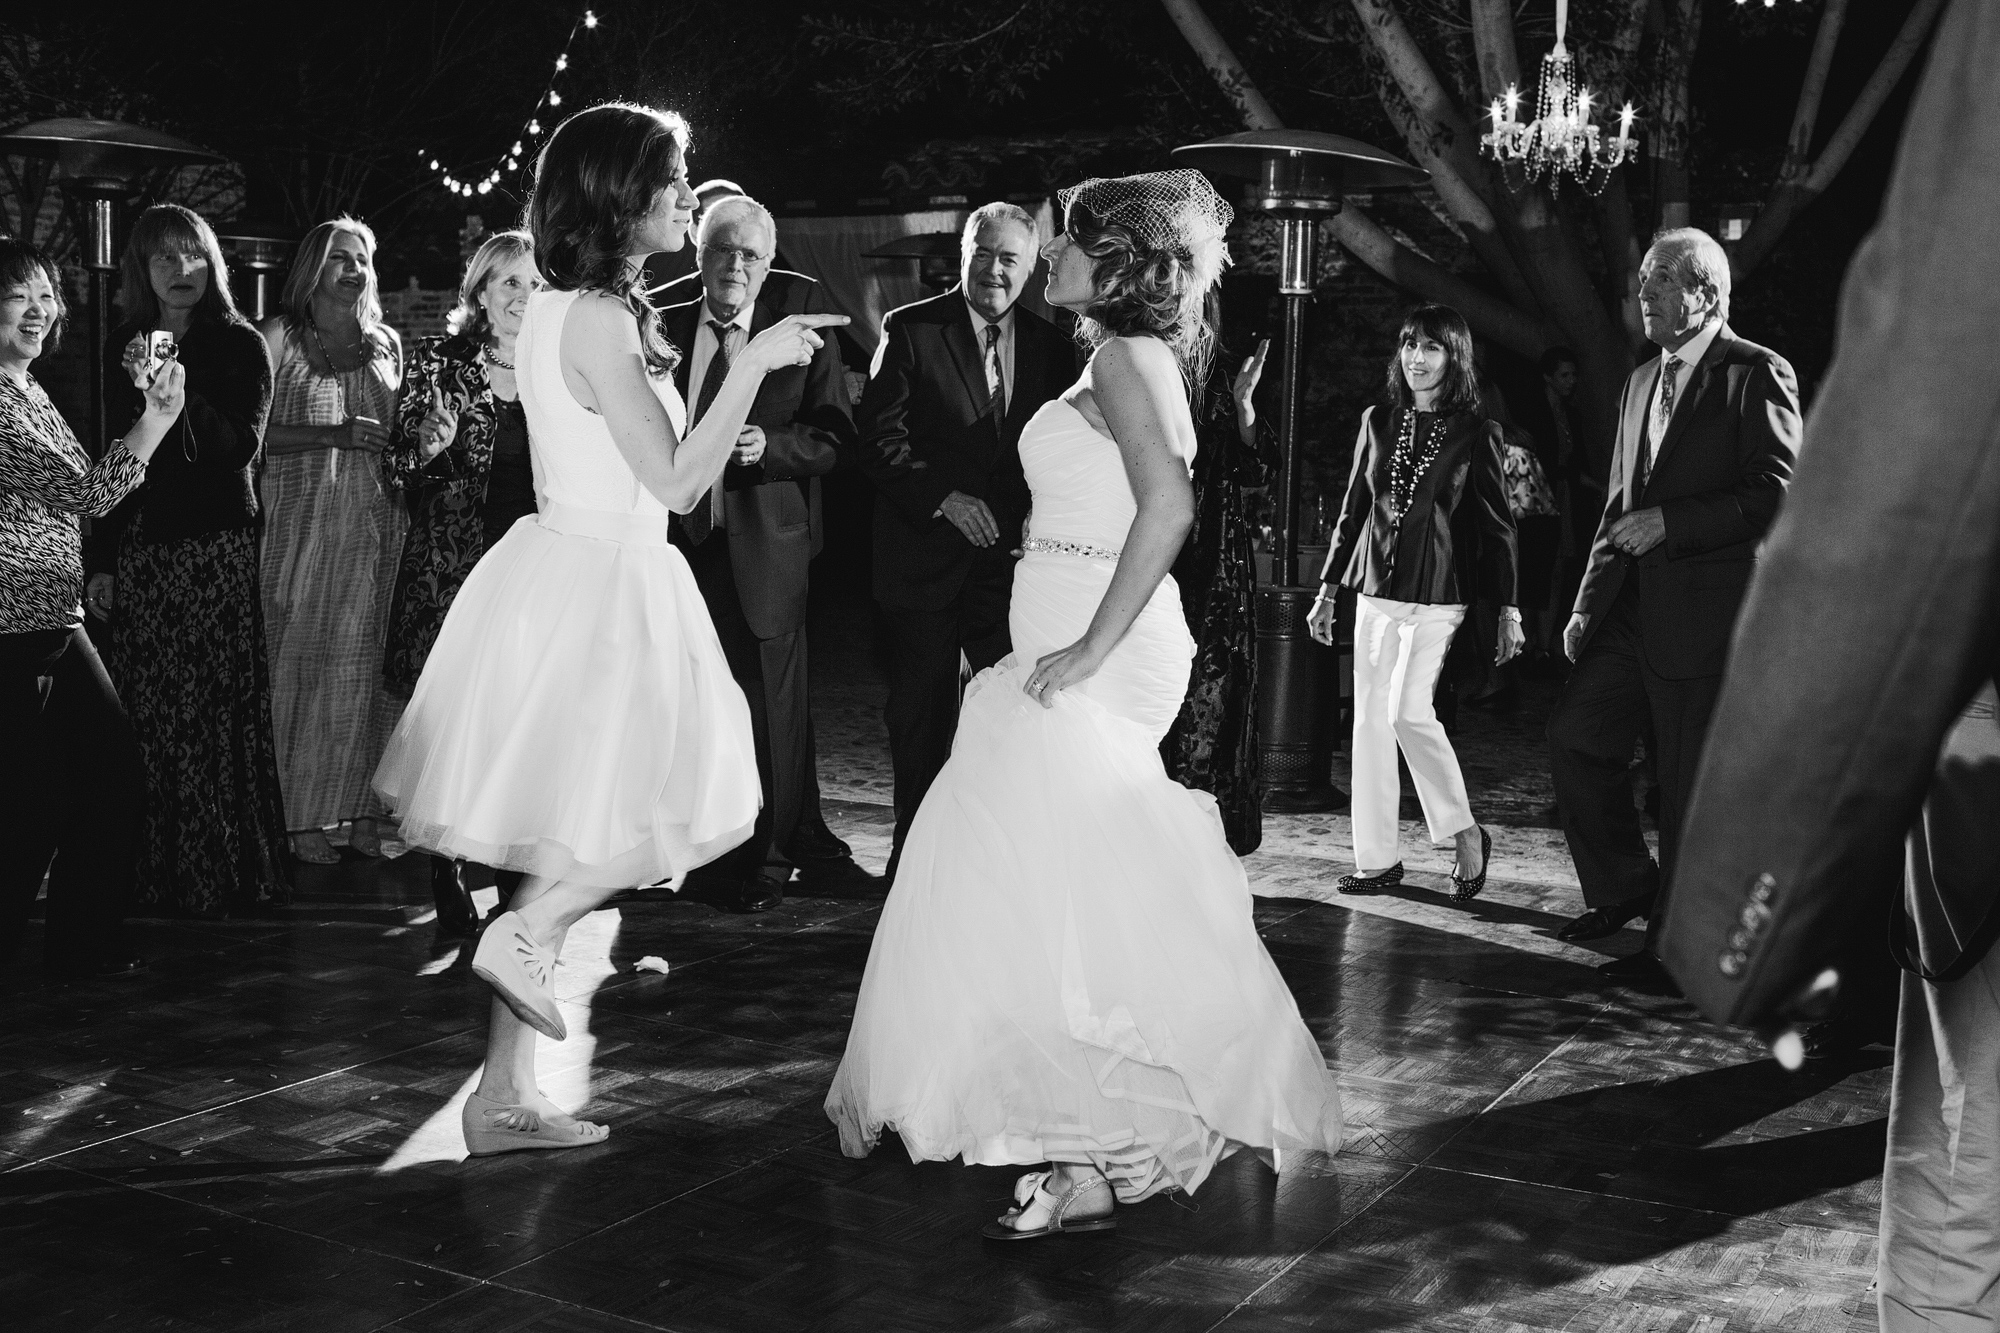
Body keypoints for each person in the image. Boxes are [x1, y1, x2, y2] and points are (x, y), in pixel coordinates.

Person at [827, 171, 1343, 1239]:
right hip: (1064, 639)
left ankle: (1098, 1145)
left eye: (1064, 242)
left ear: (1112, 262)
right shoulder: (1113, 358)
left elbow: (1171, 507)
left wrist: (1084, 647)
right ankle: (1101, 1150)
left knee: (1057, 881)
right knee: (1052, 887)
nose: (1049, 255)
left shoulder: (1119, 356)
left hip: (1098, 652)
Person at [372, 103, 845, 1155]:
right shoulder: (590, 316)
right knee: (672, 807)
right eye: (675, 179)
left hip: (574, 573)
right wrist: (757, 363)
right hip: (604, 583)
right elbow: (678, 482)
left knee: (556, 844)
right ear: (621, 195)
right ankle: (529, 936)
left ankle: (501, 1097)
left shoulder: (566, 308)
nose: (690, 195)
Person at [1656, 4, 2000, 1324]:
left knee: (1960, 1185)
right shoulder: (1641, 378)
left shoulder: (1755, 373)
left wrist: (1767, 893)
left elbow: (1922, 445)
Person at [1546, 228, 1801, 983]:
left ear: (1707, 293)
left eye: (1660, 282)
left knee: (1686, 785)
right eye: (1642, 282)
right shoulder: (1635, 383)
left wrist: (1674, 522)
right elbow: (1618, 505)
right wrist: (1586, 604)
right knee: (1574, 737)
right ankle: (1627, 887)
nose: (1643, 296)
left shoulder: (1757, 373)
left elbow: (1779, 492)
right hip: (1629, 609)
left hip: (1709, 612)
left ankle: (1675, 948)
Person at [860, 202, 1075, 883]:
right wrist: (941, 499)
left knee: (1012, 727)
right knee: (920, 726)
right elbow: (877, 441)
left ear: (1031, 265)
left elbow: (1061, 456)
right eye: (982, 253)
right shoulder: (911, 330)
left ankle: (993, 871)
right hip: (921, 566)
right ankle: (914, 872)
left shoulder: (1054, 347)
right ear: (964, 255)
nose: (992, 269)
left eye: (1009, 257)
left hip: (1009, 577)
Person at [662, 195, 862, 913]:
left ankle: (768, 864)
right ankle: (692, 847)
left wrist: (770, 449)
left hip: (766, 549)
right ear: (698, 254)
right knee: (687, 709)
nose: (735, 264)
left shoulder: (796, 329)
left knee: (769, 715)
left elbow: (838, 439)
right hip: (675, 549)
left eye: (749, 253)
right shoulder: (663, 324)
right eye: (722, 249)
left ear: (768, 263)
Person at [88, 204, 289, 919]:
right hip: (144, 549)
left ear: (213, 263)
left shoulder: (239, 345)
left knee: (208, 713)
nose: (181, 271)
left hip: (212, 548)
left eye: (193, 255)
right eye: (165, 258)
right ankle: (153, 869)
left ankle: (216, 869)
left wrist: (175, 395)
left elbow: (238, 450)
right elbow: (111, 462)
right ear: (142, 267)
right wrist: (102, 560)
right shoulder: (122, 341)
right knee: (148, 713)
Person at [0, 238, 185, 979]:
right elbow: (87, 493)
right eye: (19, 295)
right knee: (39, 799)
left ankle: (80, 944)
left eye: (47, 295)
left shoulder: (26, 386)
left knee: (101, 776)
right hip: (12, 627)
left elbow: (79, 490)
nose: (40, 309)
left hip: (53, 617)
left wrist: (153, 416)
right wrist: (155, 421)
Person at [1306, 305, 1521, 902]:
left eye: (1431, 348)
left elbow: (1500, 527)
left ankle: (1464, 830)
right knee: (1369, 726)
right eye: (1408, 346)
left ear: (1455, 358)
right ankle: (1377, 861)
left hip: (1439, 596)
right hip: (1374, 591)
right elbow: (1353, 511)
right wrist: (1328, 590)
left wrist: (1508, 609)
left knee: (1406, 711)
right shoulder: (1378, 422)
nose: (1416, 358)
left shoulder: (1478, 432)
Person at [382, 230, 542, 947]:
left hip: (535, 576)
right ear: (481, 291)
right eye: (510, 283)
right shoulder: (441, 364)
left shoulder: (559, 368)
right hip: (452, 571)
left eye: (537, 285)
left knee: (518, 724)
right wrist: (428, 446)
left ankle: (514, 868)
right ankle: (446, 862)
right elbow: (395, 476)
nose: (523, 298)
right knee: (455, 725)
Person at [258, 218, 406, 864]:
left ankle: (365, 813)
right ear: (312, 266)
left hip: (374, 522)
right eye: (340, 258)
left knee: (366, 666)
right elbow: (252, 435)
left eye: (363, 259)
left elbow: (397, 433)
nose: (355, 270)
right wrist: (333, 434)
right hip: (300, 524)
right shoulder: (278, 338)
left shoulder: (386, 345)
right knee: (297, 664)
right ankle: (299, 816)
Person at [1161, 332, 1277, 854]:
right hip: (1133, 549)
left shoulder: (1216, 373)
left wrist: (1244, 405)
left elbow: (1258, 468)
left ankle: (1199, 834)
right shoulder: (1119, 359)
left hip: (1211, 568)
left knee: (1206, 701)